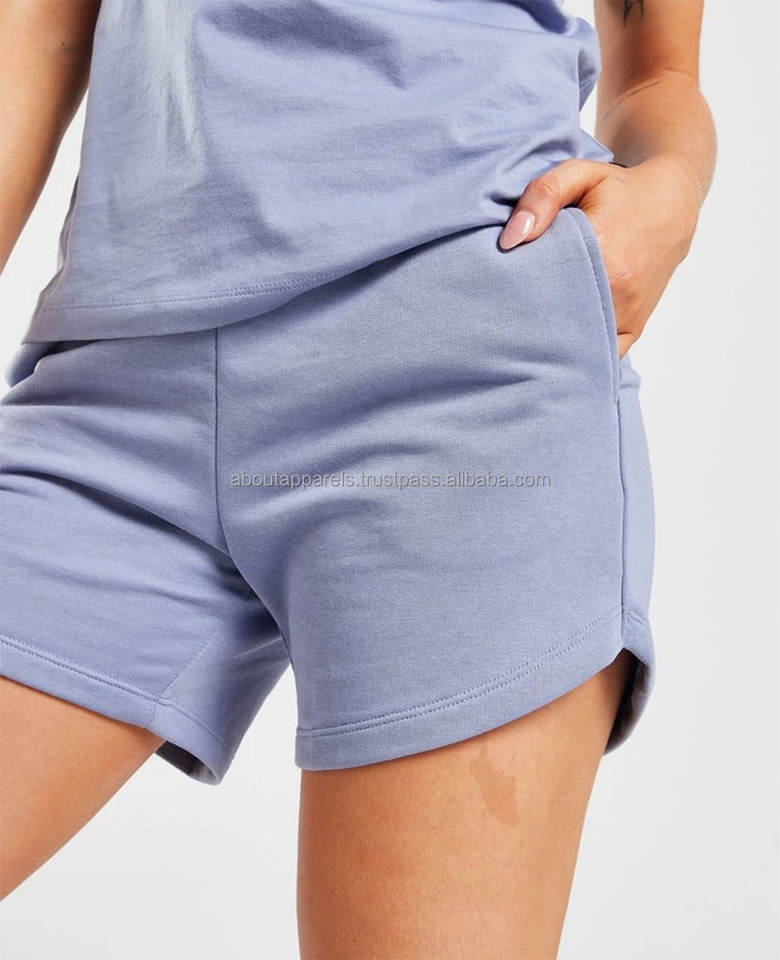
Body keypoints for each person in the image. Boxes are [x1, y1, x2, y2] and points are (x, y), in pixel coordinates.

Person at [0, 1, 715, 956]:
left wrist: (669, 191)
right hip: (114, 392)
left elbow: (658, 67)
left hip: (460, 375)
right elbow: (38, 26)